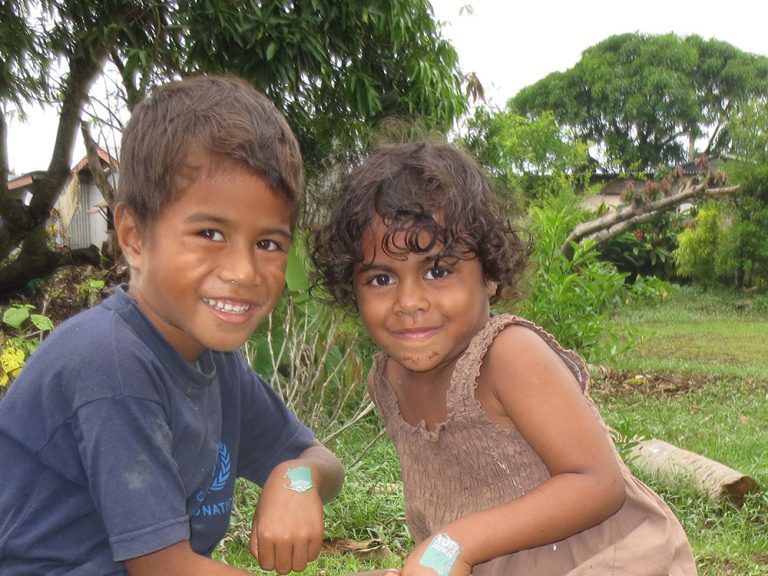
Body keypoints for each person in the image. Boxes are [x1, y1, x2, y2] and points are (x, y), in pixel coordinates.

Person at [0, 74, 344, 575]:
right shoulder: (110, 362)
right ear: (134, 237)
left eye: (268, 243)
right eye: (210, 233)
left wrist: (296, 478)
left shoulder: (216, 363)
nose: (244, 273)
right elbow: (165, 570)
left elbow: (322, 462)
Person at [311, 141, 697, 576]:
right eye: (381, 278)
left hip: (607, 559)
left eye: (437, 271)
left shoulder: (507, 355)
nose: (409, 301)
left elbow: (597, 483)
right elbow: (449, 503)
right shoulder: (387, 381)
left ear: (489, 276)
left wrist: (452, 545)